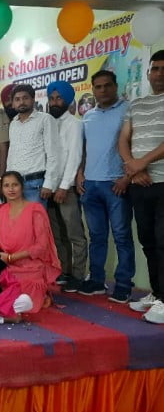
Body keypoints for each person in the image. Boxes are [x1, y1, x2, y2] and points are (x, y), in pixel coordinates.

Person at [75, 70, 135, 302]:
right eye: (98, 87)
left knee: (121, 236)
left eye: (107, 85)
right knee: (97, 236)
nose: (103, 90)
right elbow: (84, 149)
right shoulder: (88, 116)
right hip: (90, 185)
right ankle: (97, 281)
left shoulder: (128, 110)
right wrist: (80, 173)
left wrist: (127, 176)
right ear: (93, 90)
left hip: (116, 184)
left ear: (115, 86)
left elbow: (135, 146)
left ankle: (124, 284)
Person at [119, 50, 164, 323]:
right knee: (147, 240)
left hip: (162, 181)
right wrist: (132, 167)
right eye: (155, 68)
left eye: (163, 69)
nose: (159, 74)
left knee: (163, 241)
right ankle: (157, 293)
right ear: (148, 73)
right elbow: (124, 139)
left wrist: (140, 163)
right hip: (140, 183)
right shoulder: (136, 105)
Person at [0, 172, 61, 312]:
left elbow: (41, 246)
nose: (11, 189)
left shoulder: (35, 209)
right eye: (6, 185)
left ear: (22, 187)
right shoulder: (3, 210)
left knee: (21, 301)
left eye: (15, 185)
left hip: (30, 267)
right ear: (2, 189)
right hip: (7, 266)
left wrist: (11, 257)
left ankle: (41, 294)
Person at [45, 81, 88, 292]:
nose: (54, 102)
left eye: (59, 98)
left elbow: (75, 157)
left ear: (68, 100)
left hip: (66, 188)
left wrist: (64, 186)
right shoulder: (47, 123)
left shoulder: (74, 124)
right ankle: (65, 270)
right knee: (57, 234)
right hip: (49, 186)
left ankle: (79, 275)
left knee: (74, 233)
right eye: (51, 98)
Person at [6, 84, 62, 207]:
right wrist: (7, 181)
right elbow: (12, 153)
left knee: (35, 219)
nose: (21, 102)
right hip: (14, 184)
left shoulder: (45, 119)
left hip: (35, 184)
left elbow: (53, 153)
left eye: (25, 98)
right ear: (13, 104)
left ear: (33, 99)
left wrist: (49, 183)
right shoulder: (13, 124)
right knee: (17, 219)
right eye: (17, 99)